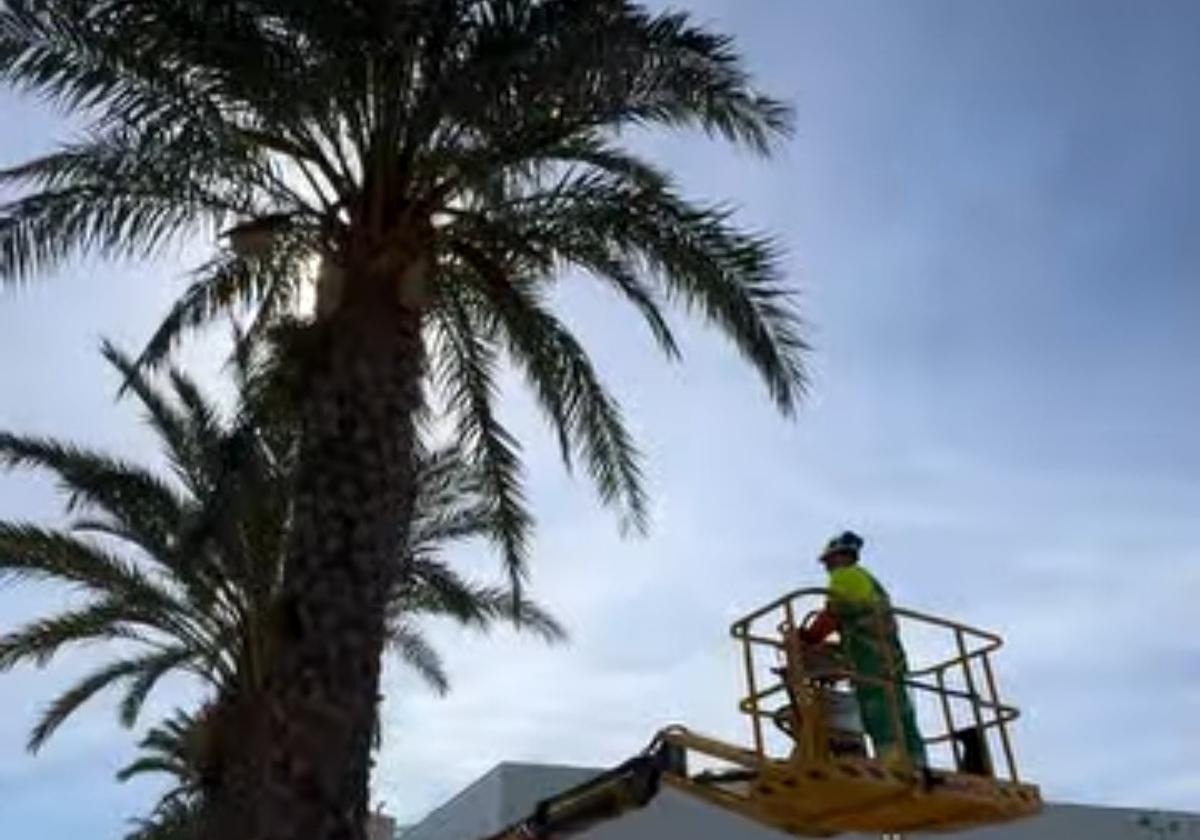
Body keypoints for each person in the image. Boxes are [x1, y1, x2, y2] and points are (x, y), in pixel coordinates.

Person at [798, 531, 927, 771]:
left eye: (827, 561)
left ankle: (893, 766)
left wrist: (808, 637)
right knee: (902, 713)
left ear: (838, 558)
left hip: (871, 659)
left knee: (878, 713)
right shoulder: (869, 581)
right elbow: (861, 620)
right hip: (890, 656)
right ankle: (919, 764)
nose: (826, 567)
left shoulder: (844, 576)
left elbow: (835, 613)